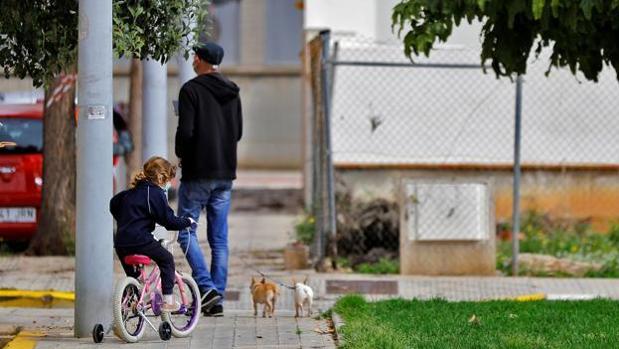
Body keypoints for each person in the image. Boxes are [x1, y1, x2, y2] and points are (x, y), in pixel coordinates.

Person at [175, 42, 243, 317]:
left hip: (197, 173)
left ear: (201, 60)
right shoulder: (232, 91)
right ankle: (216, 298)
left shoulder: (191, 90)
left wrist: (181, 153)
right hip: (225, 173)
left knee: (185, 232)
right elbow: (237, 133)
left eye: (195, 56)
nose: (192, 60)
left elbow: (186, 132)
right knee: (219, 239)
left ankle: (206, 288)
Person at [110, 156, 196, 311]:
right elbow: (168, 221)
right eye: (169, 179)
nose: (169, 184)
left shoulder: (129, 193)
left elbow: (113, 204)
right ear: (161, 177)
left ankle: (128, 306)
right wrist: (187, 222)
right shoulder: (155, 193)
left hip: (121, 242)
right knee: (166, 259)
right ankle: (168, 301)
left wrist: (127, 220)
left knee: (134, 278)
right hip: (140, 240)